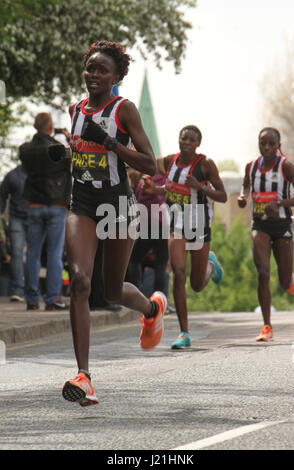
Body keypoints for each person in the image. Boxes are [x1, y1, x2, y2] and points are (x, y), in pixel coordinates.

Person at [61, 40, 167, 407]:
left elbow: (150, 164)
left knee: (110, 290)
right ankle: (84, 376)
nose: (93, 74)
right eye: (90, 68)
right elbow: (79, 156)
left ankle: (152, 310)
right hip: (83, 202)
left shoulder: (124, 110)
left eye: (102, 70)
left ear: (116, 76)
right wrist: (64, 156)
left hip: (118, 204)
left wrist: (108, 141)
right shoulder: (75, 109)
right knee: (79, 281)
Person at [143, 125, 227, 349]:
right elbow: (172, 189)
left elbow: (223, 196)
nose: (187, 142)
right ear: (179, 140)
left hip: (199, 226)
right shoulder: (170, 161)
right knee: (178, 274)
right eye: (184, 138)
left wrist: (201, 187)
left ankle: (210, 263)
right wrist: (155, 190)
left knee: (197, 284)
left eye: (191, 139)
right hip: (177, 226)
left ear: (198, 143)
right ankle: (184, 332)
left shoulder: (205, 165)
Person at [237, 127, 294, 342]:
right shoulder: (251, 166)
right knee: (263, 274)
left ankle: (290, 278)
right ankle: (266, 326)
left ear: (278, 145)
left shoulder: (286, 166)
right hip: (260, 225)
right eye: (262, 143)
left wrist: (280, 203)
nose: (266, 147)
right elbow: (246, 185)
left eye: (271, 144)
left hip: (281, 224)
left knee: (283, 282)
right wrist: (243, 197)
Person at [19, 112, 72, 311]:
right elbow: (73, 157)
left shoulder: (25, 150)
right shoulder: (58, 150)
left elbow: (26, 161)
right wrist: (67, 136)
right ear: (50, 128)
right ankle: (52, 299)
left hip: (34, 204)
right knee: (54, 253)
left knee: (32, 252)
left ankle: (31, 300)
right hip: (56, 205)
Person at [127, 172, 169, 298]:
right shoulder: (162, 181)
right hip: (162, 225)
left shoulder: (144, 181)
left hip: (147, 224)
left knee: (134, 259)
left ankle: (135, 293)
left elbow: (138, 203)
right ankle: (160, 299)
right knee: (161, 264)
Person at [0, 162, 29, 301]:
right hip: (25, 218)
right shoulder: (13, 176)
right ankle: (21, 288)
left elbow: (2, 195)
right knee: (20, 253)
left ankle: (22, 289)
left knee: (19, 253)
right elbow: (2, 194)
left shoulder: (12, 175)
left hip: (24, 218)